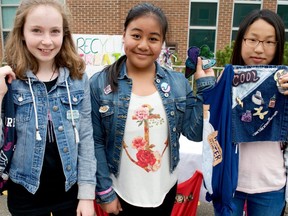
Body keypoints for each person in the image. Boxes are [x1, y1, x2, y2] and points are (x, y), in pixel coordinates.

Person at [89, 2, 215, 216]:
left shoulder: (177, 83)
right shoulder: (100, 84)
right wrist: (105, 192)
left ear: (162, 43)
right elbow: (95, 142)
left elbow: (194, 134)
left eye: (153, 38)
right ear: (124, 35)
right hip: (120, 193)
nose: (143, 45)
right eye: (136, 36)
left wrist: (205, 87)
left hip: (163, 191)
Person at [0, 0, 96, 215]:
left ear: (64, 34)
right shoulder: (9, 81)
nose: (47, 41)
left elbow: (86, 138)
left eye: (55, 31)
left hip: (70, 192)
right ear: (22, 33)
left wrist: (87, 194)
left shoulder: (78, 80)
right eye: (36, 30)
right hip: (25, 193)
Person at [230, 9, 287, 216]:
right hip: (230, 182)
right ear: (241, 40)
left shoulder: (285, 82)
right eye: (252, 39)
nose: (259, 49)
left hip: (270, 184)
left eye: (269, 42)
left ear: (278, 45)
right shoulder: (225, 80)